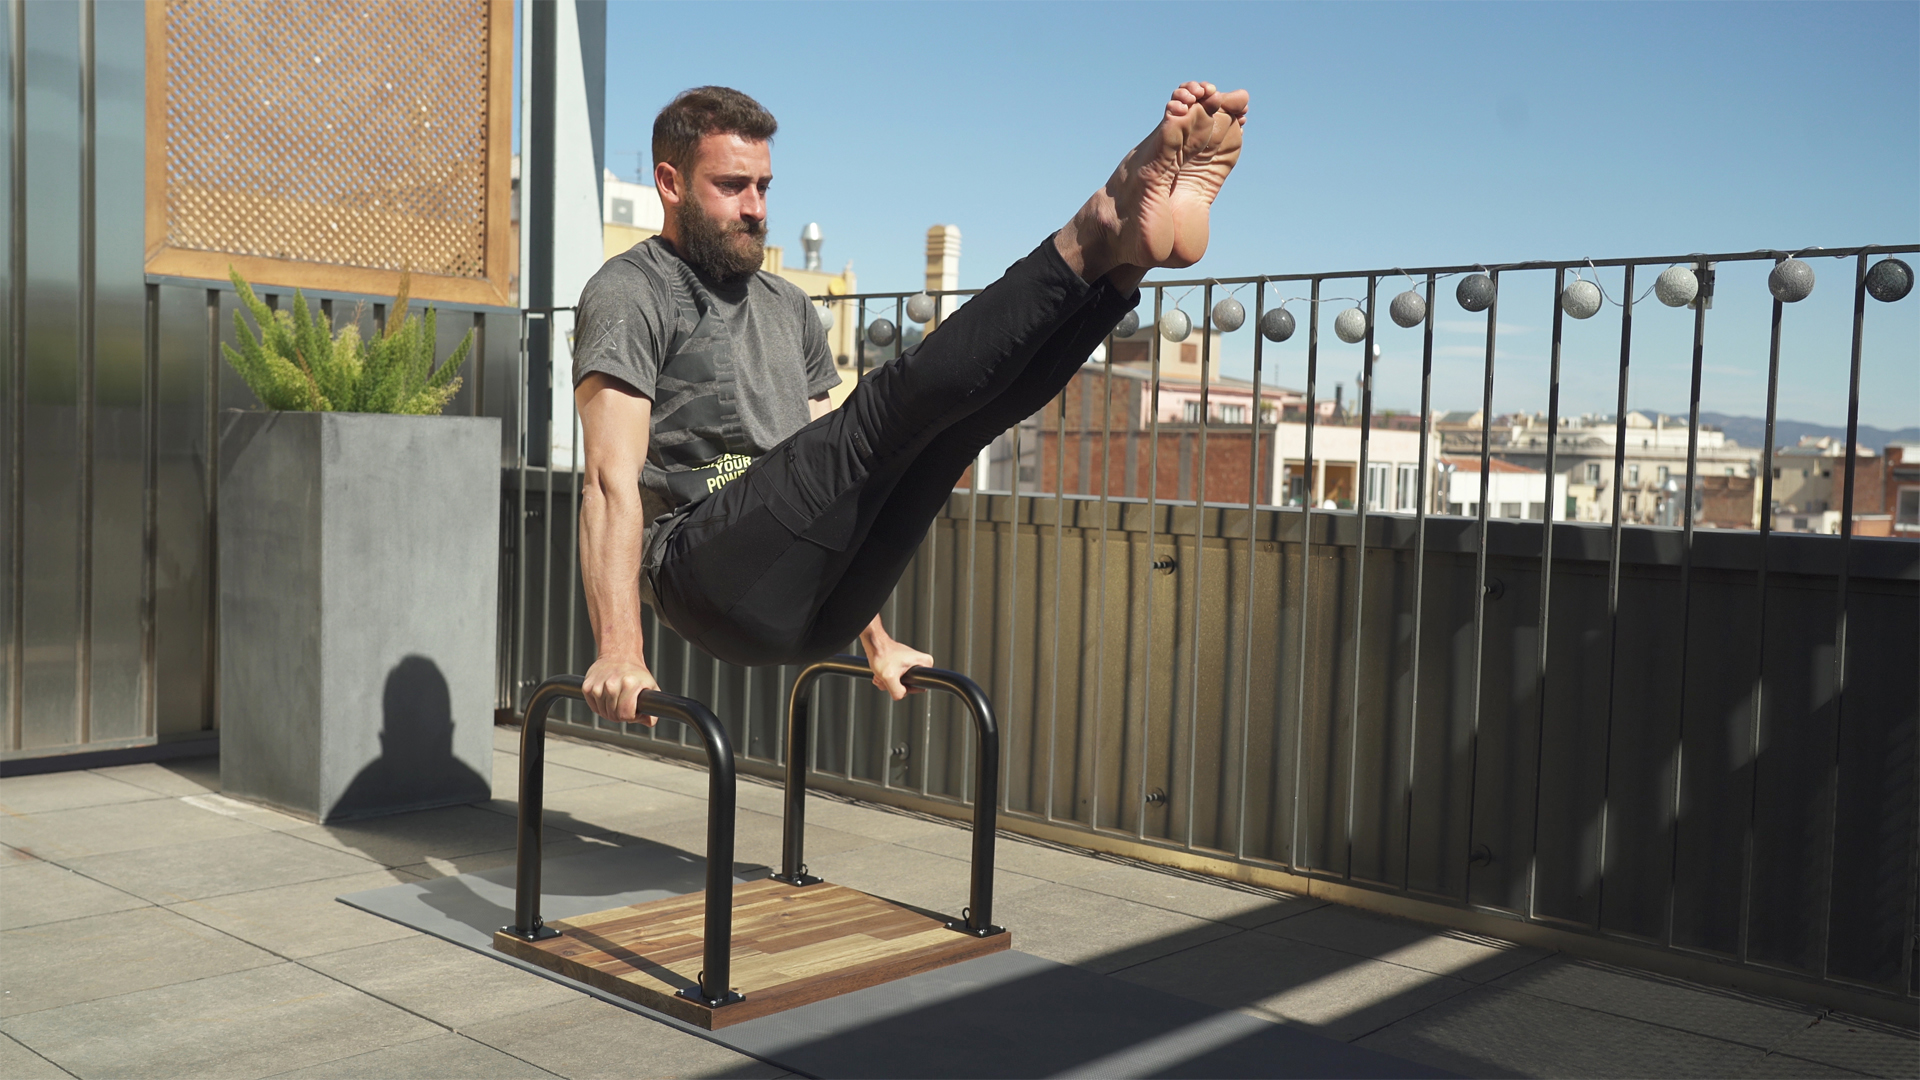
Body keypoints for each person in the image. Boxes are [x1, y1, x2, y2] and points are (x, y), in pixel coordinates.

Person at [572, 82, 1248, 724]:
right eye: (731, 186)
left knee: (953, 430)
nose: (755, 207)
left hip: (812, 605)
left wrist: (875, 641)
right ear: (669, 184)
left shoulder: (787, 306)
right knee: (884, 409)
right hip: (704, 576)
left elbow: (845, 474)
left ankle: (1121, 266)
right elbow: (608, 484)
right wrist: (619, 650)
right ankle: (1095, 228)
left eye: (763, 187)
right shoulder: (633, 291)